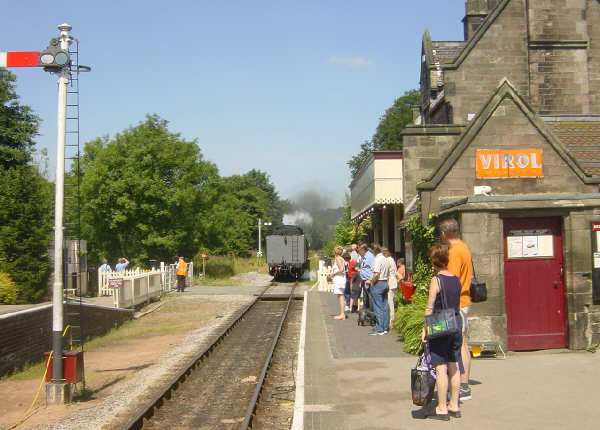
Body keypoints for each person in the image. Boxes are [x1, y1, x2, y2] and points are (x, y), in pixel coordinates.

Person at [421, 244, 462, 420]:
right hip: (456, 323)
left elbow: (430, 307)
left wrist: (425, 330)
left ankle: (442, 408)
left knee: (441, 367)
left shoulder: (436, 280)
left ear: (433, 261)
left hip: (440, 326)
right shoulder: (456, 279)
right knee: (454, 364)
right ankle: (454, 404)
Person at [439, 218, 473, 401]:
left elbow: (450, 281)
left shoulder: (453, 253)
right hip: (465, 299)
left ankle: (461, 385)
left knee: (457, 345)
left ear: (444, 234)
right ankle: (465, 383)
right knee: (463, 344)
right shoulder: (464, 247)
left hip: (456, 302)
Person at [366, 244, 390, 335]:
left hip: (378, 283)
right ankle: (384, 327)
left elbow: (376, 273)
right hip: (385, 283)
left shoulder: (377, 259)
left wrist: (371, 282)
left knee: (378, 306)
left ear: (374, 251)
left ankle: (379, 328)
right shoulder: (385, 259)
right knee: (384, 306)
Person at [330, 246, 347, 320]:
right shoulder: (341, 258)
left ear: (335, 252)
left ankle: (342, 314)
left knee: (340, 296)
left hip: (339, 279)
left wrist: (333, 274)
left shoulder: (337, 258)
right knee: (340, 296)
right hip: (341, 279)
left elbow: (341, 269)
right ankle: (342, 313)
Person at [382, 248, 397, 331]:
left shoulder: (387, 260)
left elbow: (386, 272)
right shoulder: (391, 259)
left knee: (390, 303)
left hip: (390, 282)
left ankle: (391, 322)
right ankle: (391, 321)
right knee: (391, 302)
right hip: (393, 281)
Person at [357, 243, 375, 311]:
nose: (359, 253)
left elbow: (373, 269)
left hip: (369, 280)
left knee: (370, 298)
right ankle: (366, 313)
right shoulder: (364, 257)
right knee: (365, 298)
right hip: (364, 280)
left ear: (363, 250)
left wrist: (370, 280)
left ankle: (371, 312)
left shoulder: (370, 257)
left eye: (359, 251)